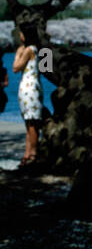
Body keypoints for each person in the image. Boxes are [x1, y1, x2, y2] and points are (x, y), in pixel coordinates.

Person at [13, 26, 44, 168]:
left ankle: (33, 154)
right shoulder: (42, 49)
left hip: (27, 88)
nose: (20, 36)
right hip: (36, 87)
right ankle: (28, 153)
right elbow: (46, 70)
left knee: (30, 123)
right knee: (31, 122)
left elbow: (15, 68)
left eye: (21, 33)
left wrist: (18, 53)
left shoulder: (27, 50)